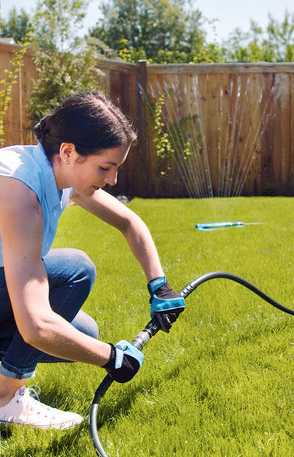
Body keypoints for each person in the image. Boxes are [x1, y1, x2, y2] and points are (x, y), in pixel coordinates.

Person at [0, 91, 185, 430]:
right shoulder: (18, 191)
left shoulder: (57, 172)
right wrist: (112, 358)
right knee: (75, 270)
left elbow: (130, 223)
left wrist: (160, 285)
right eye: (106, 167)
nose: (112, 180)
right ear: (69, 151)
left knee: (83, 330)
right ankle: (4, 396)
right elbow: (36, 326)